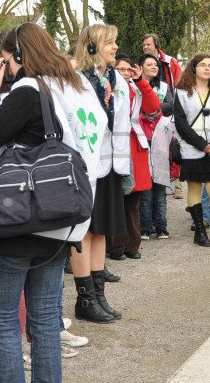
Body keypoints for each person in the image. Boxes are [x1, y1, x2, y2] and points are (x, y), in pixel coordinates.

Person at [0, 23, 101, 383]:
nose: (3, 67)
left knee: (4, 324)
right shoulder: (78, 88)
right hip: (61, 221)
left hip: (18, 222)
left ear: (19, 56)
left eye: (6, 60)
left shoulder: (28, 90)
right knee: (44, 324)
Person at [71, 24, 129, 323]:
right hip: (85, 166)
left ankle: (99, 295)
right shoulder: (77, 80)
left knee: (102, 229)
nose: (115, 47)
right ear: (91, 46)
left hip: (109, 165)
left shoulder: (116, 79)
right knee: (84, 231)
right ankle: (85, 299)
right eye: (109, 42)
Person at [173, 54, 210, 247]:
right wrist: (200, 143)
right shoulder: (182, 93)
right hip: (192, 149)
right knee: (195, 188)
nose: (207, 68)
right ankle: (199, 231)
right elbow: (180, 123)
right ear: (193, 68)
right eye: (202, 65)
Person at [107, 53, 160, 260]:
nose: (125, 73)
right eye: (121, 69)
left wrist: (140, 81)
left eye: (128, 69)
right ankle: (115, 246)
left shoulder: (136, 87)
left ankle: (131, 244)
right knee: (116, 200)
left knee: (133, 202)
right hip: (115, 147)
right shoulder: (108, 87)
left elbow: (153, 106)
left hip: (135, 146)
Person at [138, 53, 173, 240]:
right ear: (140, 67)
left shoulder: (164, 87)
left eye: (156, 65)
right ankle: (145, 227)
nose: (153, 67)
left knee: (159, 185)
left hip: (159, 137)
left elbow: (171, 105)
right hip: (142, 138)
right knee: (145, 188)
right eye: (149, 64)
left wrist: (154, 107)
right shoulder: (134, 86)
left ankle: (161, 226)